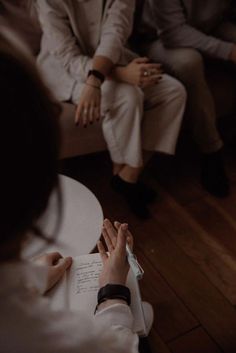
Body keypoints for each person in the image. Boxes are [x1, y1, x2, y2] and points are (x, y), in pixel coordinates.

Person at [0, 31, 154, 353]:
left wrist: (29, 277)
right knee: (145, 315)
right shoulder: (61, 340)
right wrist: (113, 290)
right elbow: (121, 347)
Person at [36, 0, 186, 218]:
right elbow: (68, 57)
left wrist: (105, 76)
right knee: (127, 96)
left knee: (174, 93)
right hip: (66, 70)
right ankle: (124, 180)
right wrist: (118, 76)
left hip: (113, 60)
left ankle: (127, 177)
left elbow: (115, 32)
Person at [132, 0, 236, 198]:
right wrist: (229, 51)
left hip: (211, 26)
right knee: (189, 62)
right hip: (160, 37)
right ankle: (211, 151)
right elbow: (173, 32)